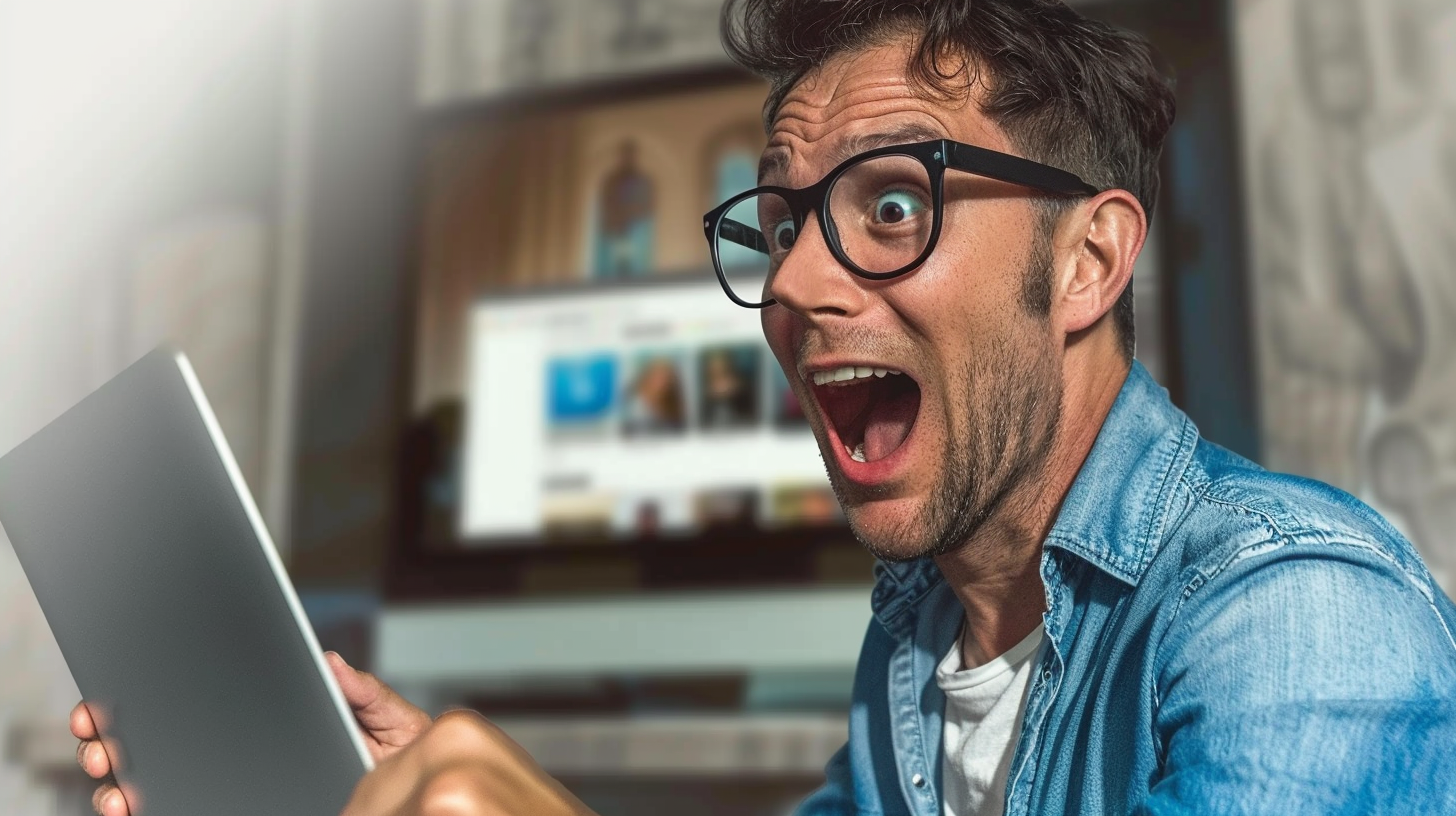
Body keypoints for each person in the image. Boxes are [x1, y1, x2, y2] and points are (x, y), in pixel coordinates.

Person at [73, 1, 1456, 814]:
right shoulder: (923, 641)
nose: (792, 279)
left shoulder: (1300, 618)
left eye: (892, 205)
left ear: (1087, 261)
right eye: (784, 223)